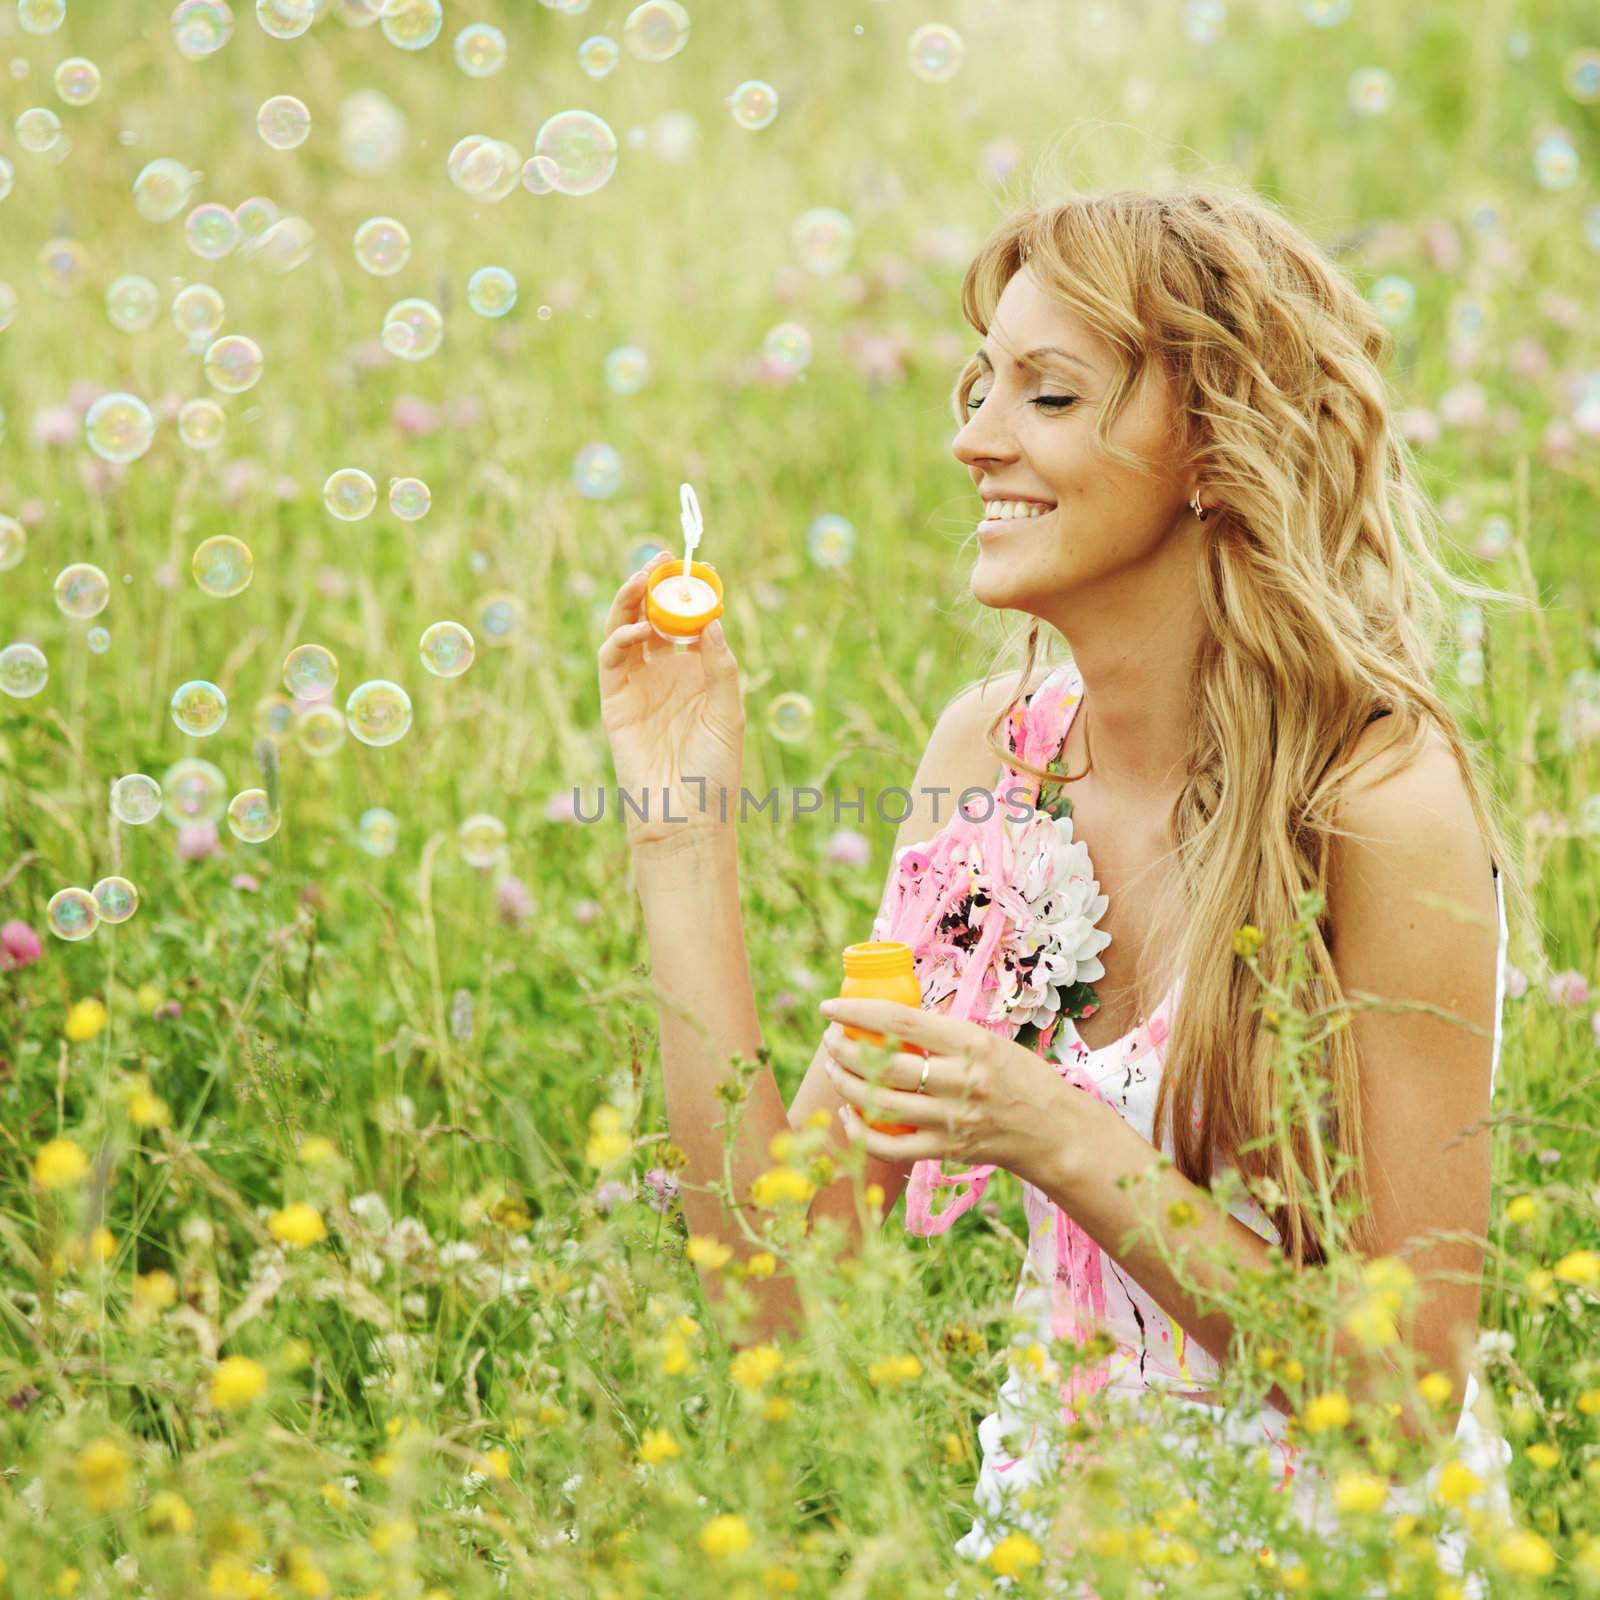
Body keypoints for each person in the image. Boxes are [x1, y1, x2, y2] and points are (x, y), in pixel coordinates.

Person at [596, 183, 1535, 1594]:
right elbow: (777, 1288)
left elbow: (1400, 1402)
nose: (973, 440)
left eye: (1046, 394)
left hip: (1338, 1561)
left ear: (1213, 445)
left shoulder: (1376, 807)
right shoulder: (998, 763)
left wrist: (1053, 1130)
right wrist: (682, 829)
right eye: (985, 387)